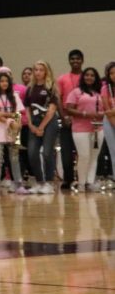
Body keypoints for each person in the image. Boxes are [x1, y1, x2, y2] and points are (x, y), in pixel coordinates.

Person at [64, 68, 105, 192]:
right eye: (87, 75)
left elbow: (106, 108)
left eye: (92, 75)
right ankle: (81, 183)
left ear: (96, 78)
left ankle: (90, 182)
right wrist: (85, 114)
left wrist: (101, 114)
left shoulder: (100, 93)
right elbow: (69, 109)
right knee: (84, 155)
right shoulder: (76, 92)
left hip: (98, 128)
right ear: (83, 77)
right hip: (80, 129)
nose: (89, 77)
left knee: (94, 156)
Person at [0, 71, 27, 195]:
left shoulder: (14, 96)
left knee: (14, 158)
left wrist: (11, 120)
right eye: (1, 81)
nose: (4, 83)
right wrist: (9, 120)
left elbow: (19, 113)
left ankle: (18, 183)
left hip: (14, 130)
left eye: (6, 81)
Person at [24, 61, 59, 194]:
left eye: (41, 70)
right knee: (32, 152)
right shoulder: (30, 88)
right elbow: (27, 107)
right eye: (36, 69)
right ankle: (39, 182)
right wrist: (31, 124)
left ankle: (49, 182)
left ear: (46, 72)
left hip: (49, 122)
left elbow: (51, 110)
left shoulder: (51, 87)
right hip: (34, 123)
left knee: (47, 153)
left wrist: (41, 127)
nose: (38, 72)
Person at [56, 49, 84, 190]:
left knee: (83, 153)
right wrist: (63, 117)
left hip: (83, 122)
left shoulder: (87, 77)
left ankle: (83, 179)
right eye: (72, 59)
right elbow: (58, 99)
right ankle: (68, 179)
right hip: (66, 121)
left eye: (78, 59)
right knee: (66, 154)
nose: (75, 61)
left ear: (82, 60)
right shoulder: (62, 79)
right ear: (69, 61)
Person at [102, 62, 115, 188]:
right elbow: (107, 110)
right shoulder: (105, 88)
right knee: (113, 151)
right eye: (111, 73)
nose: (114, 75)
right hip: (109, 122)